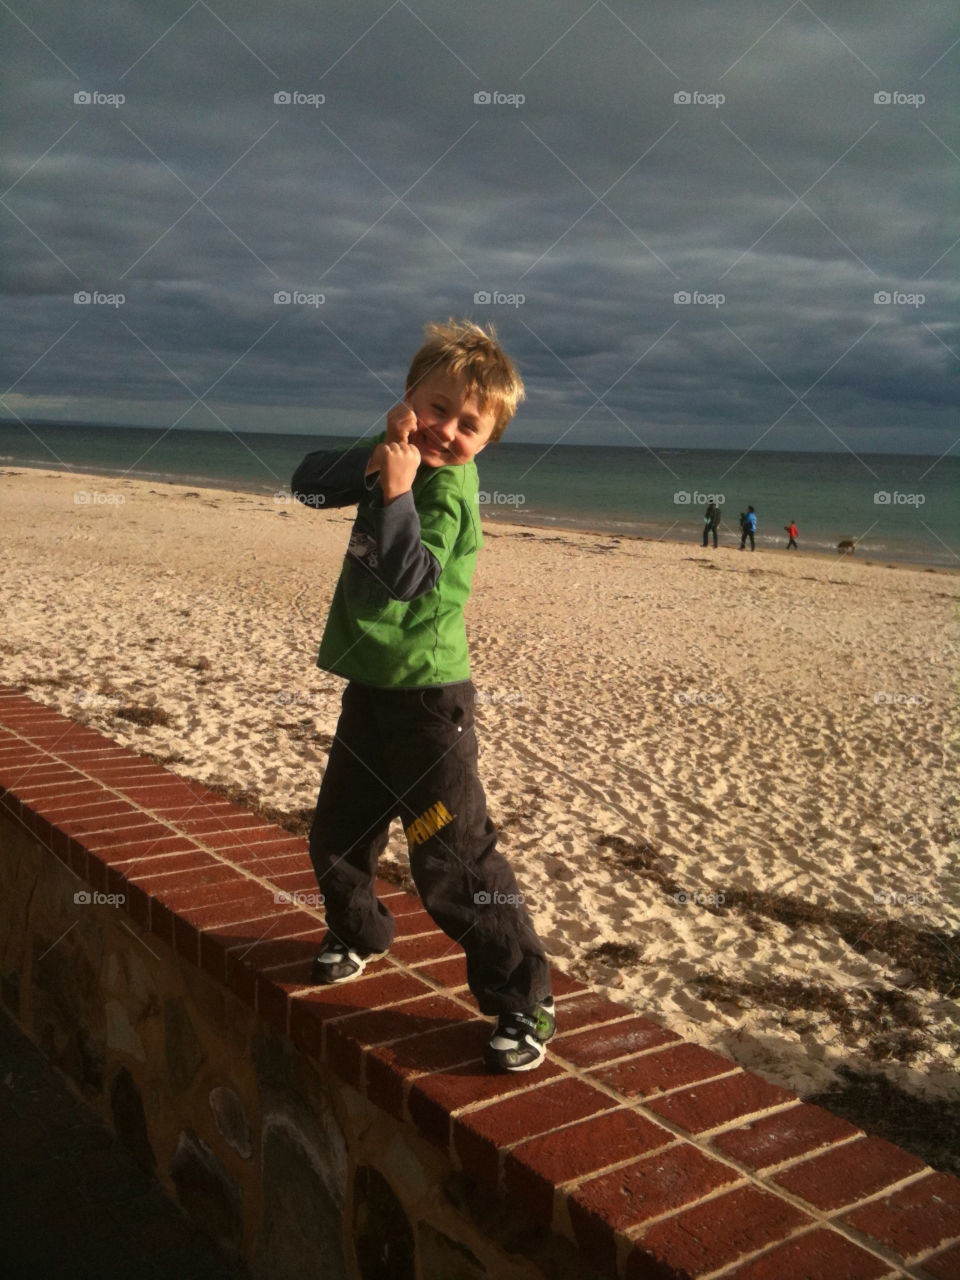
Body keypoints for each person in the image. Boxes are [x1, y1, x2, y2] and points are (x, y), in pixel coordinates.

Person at [290, 318, 555, 1073]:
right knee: (337, 835)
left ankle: (524, 998)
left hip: (429, 707)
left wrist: (400, 490)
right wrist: (378, 461)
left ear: (488, 441)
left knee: (453, 864)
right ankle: (360, 933)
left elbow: (409, 576)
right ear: (407, 400)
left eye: (470, 426)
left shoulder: (444, 496)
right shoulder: (400, 458)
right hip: (371, 694)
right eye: (436, 409)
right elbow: (307, 481)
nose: (447, 431)